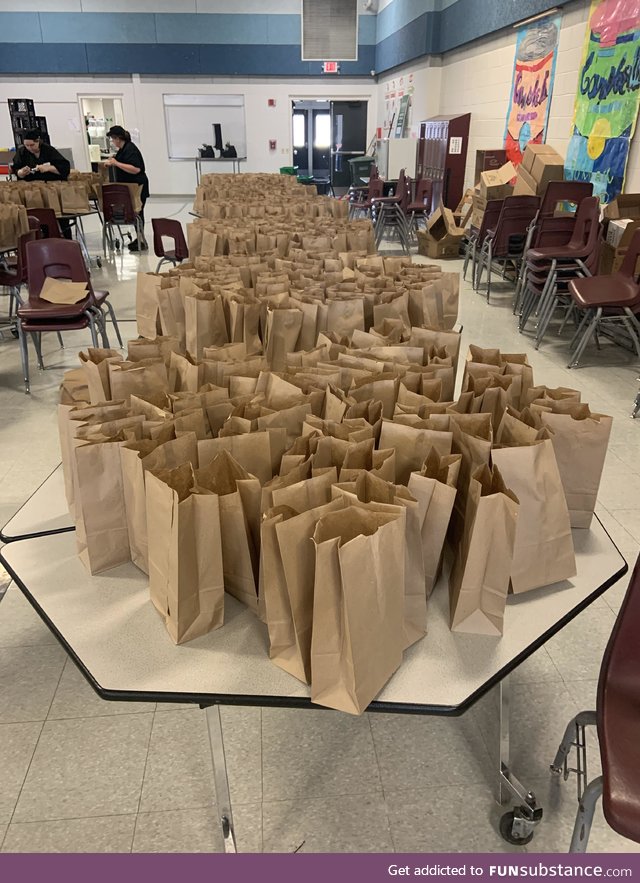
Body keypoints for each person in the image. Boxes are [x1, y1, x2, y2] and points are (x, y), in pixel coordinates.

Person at [11, 129, 73, 238]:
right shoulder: (22, 152)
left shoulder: (49, 150)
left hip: (52, 189)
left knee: (60, 219)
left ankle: (66, 240)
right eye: (27, 145)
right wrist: (21, 173)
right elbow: (16, 171)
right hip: (33, 191)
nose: (30, 148)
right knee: (38, 217)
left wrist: (49, 168)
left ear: (38, 141)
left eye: (32, 145)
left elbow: (65, 169)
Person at [104, 125, 149, 252]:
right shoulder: (123, 150)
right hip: (130, 187)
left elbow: (136, 169)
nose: (113, 142)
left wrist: (116, 163)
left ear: (118, 138)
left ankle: (141, 240)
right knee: (136, 213)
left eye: (113, 139)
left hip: (138, 186)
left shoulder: (130, 149)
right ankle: (140, 239)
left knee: (138, 213)